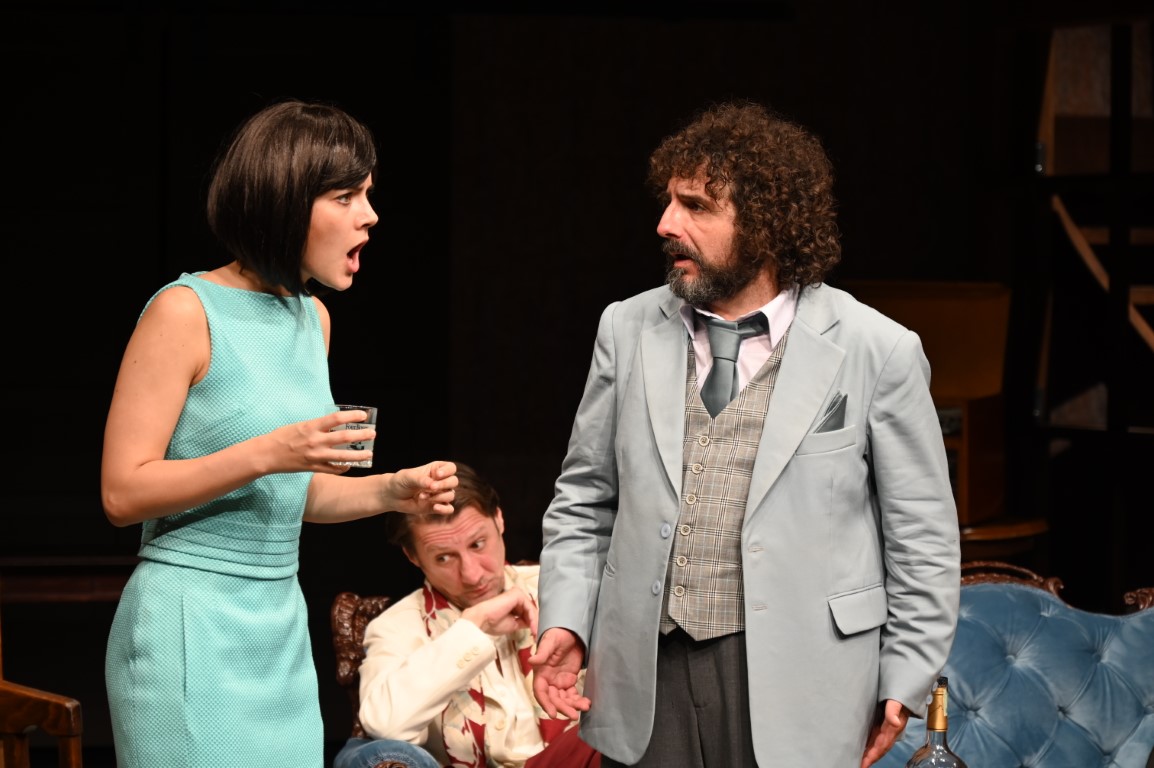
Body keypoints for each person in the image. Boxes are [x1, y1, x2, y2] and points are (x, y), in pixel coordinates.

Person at [529, 100, 961, 768]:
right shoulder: (626, 327)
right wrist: (566, 618)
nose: (666, 223)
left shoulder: (877, 349)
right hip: (646, 675)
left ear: (765, 224)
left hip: (804, 676)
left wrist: (903, 676)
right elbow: (585, 499)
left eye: (696, 206)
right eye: (669, 201)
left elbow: (923, 538)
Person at [100, 98, 458, 768]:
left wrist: (393, 491)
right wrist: (271, 451)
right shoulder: (185, 311)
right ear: (286, 203)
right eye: (347, 196)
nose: (370, 215)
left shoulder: (312, 320)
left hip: (279, 628)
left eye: (368, 194)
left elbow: (299, 495)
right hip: (190, 625)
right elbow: (122, 493)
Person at [335, 463, 601, 768]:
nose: (472, 575)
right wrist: (473, 626)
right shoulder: (397, 626)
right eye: (444, 558)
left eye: (478, 544)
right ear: (413, 556)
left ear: (499, 520)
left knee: (604, 733)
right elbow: (384, 726)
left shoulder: (562, 591)